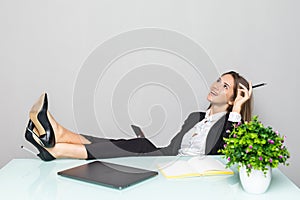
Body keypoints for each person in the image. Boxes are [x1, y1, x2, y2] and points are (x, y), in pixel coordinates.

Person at [24, 71, 253, 161]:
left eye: (224, 86)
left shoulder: (231, 125)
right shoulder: (195, 117)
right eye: (217, 80)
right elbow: (172, 148)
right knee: (129, 144)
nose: (216, 86)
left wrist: (237, 110)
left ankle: (55, 143)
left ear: (234, 98)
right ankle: (58, 142)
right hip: (168, 157)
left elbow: (226, 153)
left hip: (183, 169)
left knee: (137, 145)